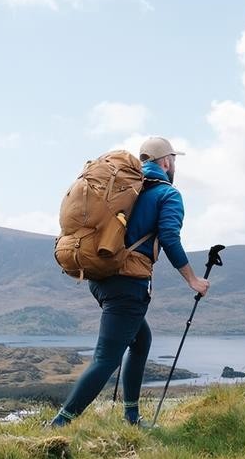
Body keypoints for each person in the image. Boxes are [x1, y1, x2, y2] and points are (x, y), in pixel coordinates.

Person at [51, 136, 209, 427]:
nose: (174, 165)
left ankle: (132, 416)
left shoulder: (129, 189)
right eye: (173, 160)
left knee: (141, 341)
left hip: (100, 278)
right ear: (166, 162)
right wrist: (193, 279)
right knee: (106, 358)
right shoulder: (167, 194)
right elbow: (170, 238)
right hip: (128, 283)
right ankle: (61, 422)